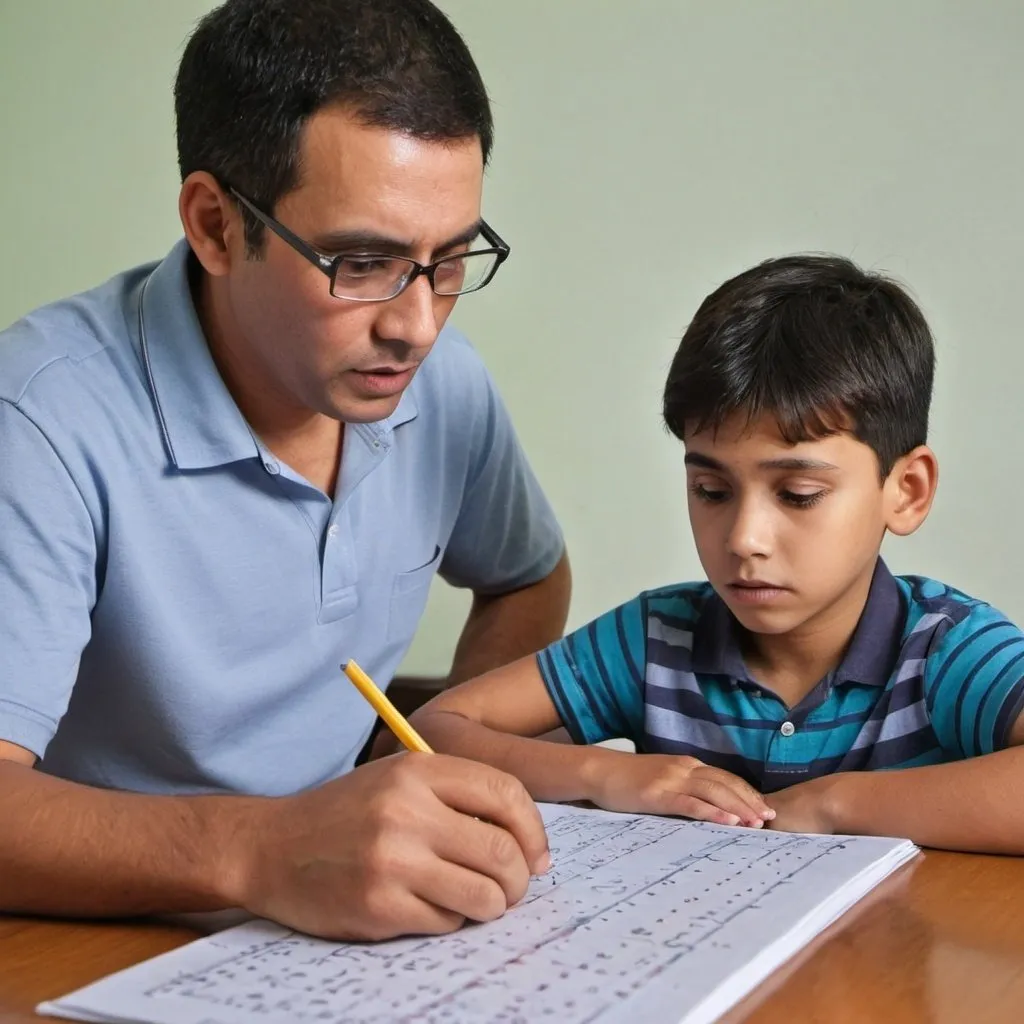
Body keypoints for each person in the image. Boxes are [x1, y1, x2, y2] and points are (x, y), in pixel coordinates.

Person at [0, 0, 571, 939]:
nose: (418, 325)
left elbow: (529, 578)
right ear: (215, 226)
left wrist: (423, 768)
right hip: (79, 952)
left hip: (339, 942)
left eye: (454, 257)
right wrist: (266, 850)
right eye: (363, 261)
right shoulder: (41, 420)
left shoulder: (445, 388)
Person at [407, 253, 1024, 855]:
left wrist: (835, 804)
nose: (743, 538)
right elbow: (436, 727)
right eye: (711, 490)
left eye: (799, 494)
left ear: (906, 492)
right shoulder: (654, 640)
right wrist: (606, 774)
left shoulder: (945, 648)